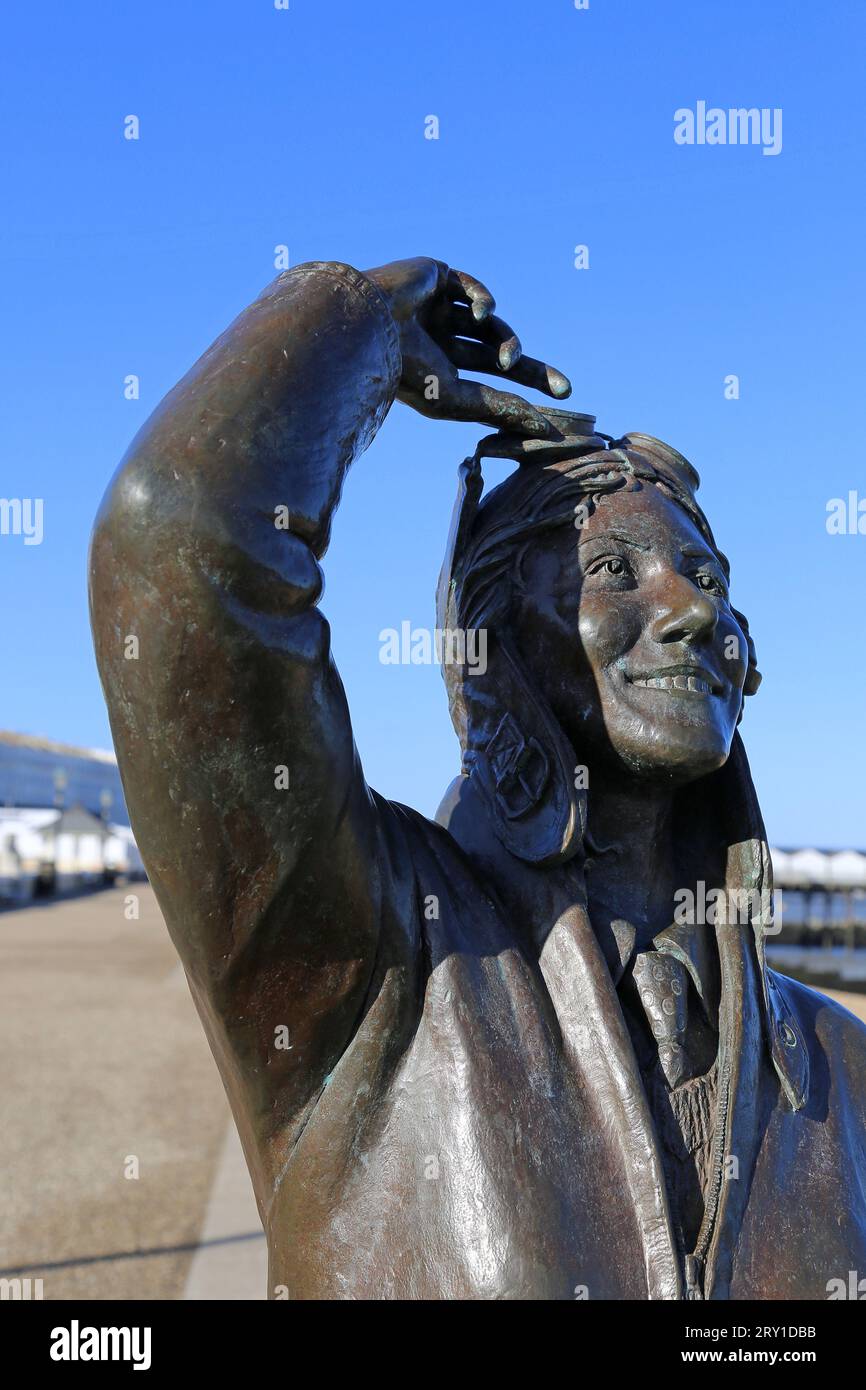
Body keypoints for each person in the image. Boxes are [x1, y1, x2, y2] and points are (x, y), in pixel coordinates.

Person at [90, 257, 866, 1299]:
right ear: (490, 644)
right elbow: (179, 546)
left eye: (708, 578)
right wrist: (356, 329)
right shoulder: (376, 961)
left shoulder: (839, 1067)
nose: (688, 609)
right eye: (612, 572)